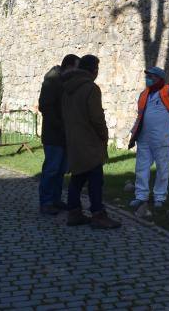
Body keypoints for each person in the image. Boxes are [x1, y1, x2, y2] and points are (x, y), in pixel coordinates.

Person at [61, 54, 120, 229]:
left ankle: (74, 212)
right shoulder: (91, 88)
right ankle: (98, 214)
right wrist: (104, 135)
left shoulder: (66, 87)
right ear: (94, 70)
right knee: (95, 180)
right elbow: (96, 118)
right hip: (89, 140)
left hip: (73, 139)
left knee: (77, 177)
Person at [127, 66, 169, 209]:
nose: (148, 79)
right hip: (144, 138)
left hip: (161, 137)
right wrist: (134, 132)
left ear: (159, 78)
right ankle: (141, 195)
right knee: (141, 167)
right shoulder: (144, 94)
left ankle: (160, 197)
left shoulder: (168, 91)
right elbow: (140, 116)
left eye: (151, 77)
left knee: (162, 168)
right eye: (147, 76)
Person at [38, 54, 79, 215]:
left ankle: (55, 199)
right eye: (76, 67)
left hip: (64, 134)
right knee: (52, 168)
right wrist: (60, 126)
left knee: (61, 169)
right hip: (54, 134)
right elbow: (45, 107)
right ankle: (46, 202)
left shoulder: (64, 81)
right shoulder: (52, 81)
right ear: (68, 66)